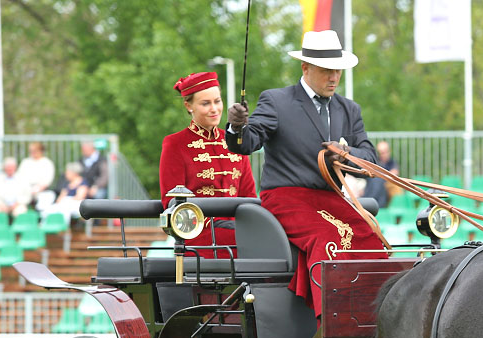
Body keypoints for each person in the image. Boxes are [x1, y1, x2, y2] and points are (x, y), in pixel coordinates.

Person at [226, 30, 386, 312]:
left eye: (337, 70)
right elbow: (247, 144)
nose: (334, 77)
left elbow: (370, 158)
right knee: (328, 240)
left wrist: (345, 154)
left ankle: (374, 319)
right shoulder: (277, 101)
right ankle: (334, 321)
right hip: (286, 198)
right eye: (326, 70)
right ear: (306, 68)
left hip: (332, 199)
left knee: (373, 240)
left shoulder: (349, 109)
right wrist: (237, 127)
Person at [160, 71, 256, 258]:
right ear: (189, 106)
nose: (214, 109)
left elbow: (249, 196)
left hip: (239, 233)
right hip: (199, 238)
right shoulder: (175, 144)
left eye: (217, 101)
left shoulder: (235, 141)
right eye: (206, 103)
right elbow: (170, 202)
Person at [16, 142, 57, 210]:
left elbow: (47, 181)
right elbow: (19, 177)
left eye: (34, 150)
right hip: (25, 189)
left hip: (41, 191)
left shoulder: (47, 163)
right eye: (31, 151)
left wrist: (36, 189)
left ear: (41, 151)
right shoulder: (25, 162)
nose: (32, 152)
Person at [362, 140, 400, 208]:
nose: (383, 154)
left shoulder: (392, 162)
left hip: (386, 183)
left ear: (388, 151)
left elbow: (395, 173)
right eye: (381, 152)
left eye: (384, 152)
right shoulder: (376, 161)